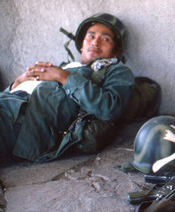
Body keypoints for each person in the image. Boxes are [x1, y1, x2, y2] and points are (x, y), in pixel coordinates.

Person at [0, 13, 135, 162]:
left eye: (105, 39)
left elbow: (110, 108)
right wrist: (17, 83)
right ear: (81, 44)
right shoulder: (66, 66)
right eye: (90, 36)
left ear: (115, 51)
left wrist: (63, 77)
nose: (95, 42)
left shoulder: (116, 70)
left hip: (24, 123)